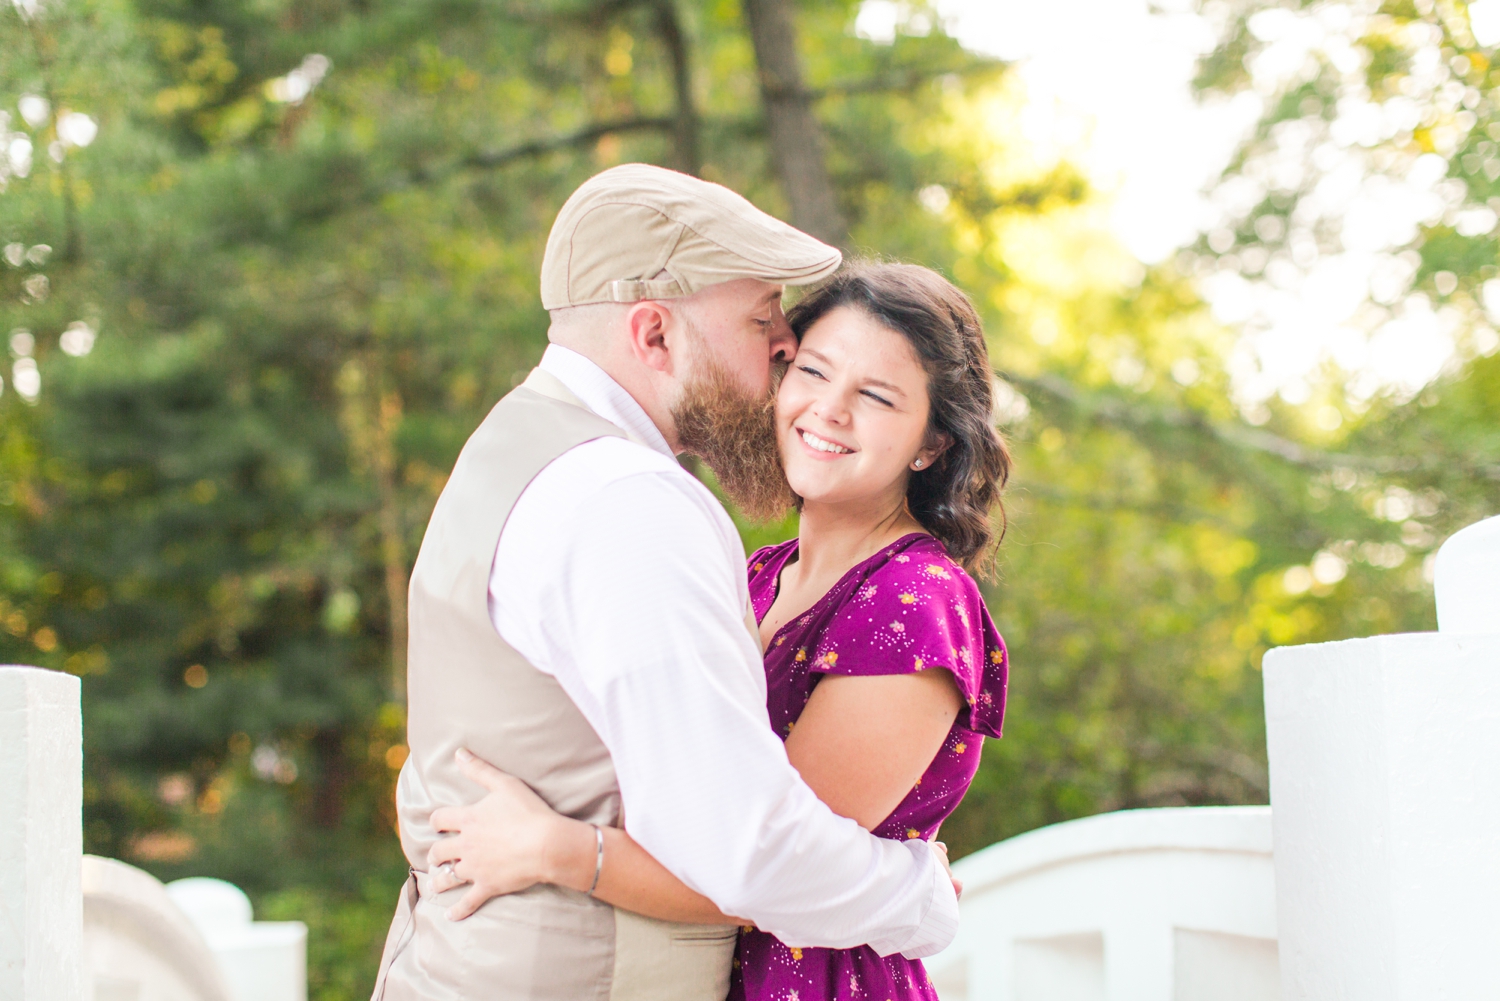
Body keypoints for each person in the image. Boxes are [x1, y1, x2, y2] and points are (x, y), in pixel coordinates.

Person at [372, 167, 963, 1001]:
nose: (783, 347)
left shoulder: (514, 448)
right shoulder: (630, 504)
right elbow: (747, 846)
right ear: (655, 335)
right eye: (763, 320)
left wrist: (557, 846)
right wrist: (920, 897)